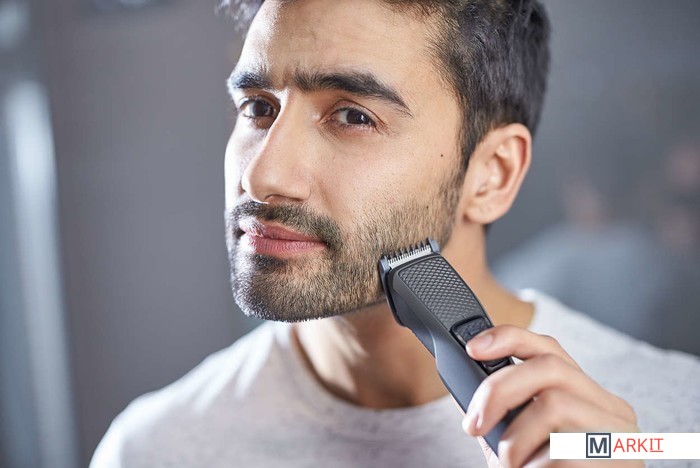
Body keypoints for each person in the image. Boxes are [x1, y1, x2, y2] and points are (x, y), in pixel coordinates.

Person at [90, 1, 700, 467]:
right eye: (257, 107)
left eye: (353, 116)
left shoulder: (676, 428)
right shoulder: (151, 450)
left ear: (492, 173)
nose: (263, 175)